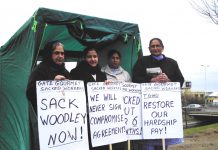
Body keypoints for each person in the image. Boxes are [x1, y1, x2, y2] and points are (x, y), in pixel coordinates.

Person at [132, 38, 184, 150]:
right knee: (148, 144)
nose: (155, 48)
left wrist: (169, 80)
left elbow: (180, 80)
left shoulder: (172, 63)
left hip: (165, 111)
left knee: (163, 143)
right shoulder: (142, 61)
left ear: (162, 47)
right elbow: (135, 79)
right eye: (153, 46)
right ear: (149, 48)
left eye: (157, 46)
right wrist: (151, 80)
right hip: (148, 110)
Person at [26, 41, 70, 150]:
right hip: (46, 123)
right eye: (56, 53)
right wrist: (51, 83)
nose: (60, 56)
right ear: (49, 54)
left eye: (62, 53)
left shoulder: (65, 71)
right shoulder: (40, 70)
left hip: (63, 121)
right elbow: (30, 92)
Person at [70, 47, 109, 150]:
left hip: (99, 118)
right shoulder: (75, 73)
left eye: (95, 56)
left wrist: (108, 87)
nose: (93, 59)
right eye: (89, 57)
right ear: (84, 58)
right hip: (83, 118)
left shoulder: (102, 74)